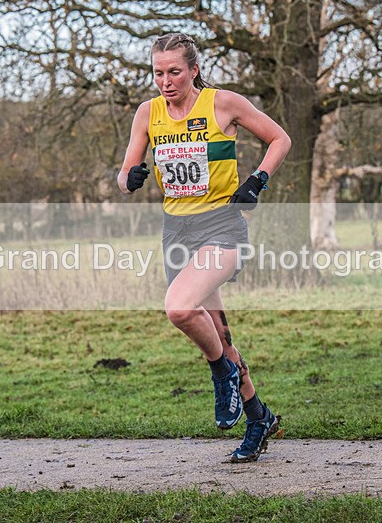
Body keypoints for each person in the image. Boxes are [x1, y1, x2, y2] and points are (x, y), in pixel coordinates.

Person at [117, 32, 291, 463]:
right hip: (175, 232)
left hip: (222, 227)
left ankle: (222, 373)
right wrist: (131, 179)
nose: (165, 81)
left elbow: (280, 139)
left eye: (174, 71)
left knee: (178, 308)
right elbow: (123, 176)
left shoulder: (222, 103)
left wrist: (258, 180)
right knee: (220, 334)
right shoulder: (148, 113)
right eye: (158, 73)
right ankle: (258, 418)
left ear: (193, 70)